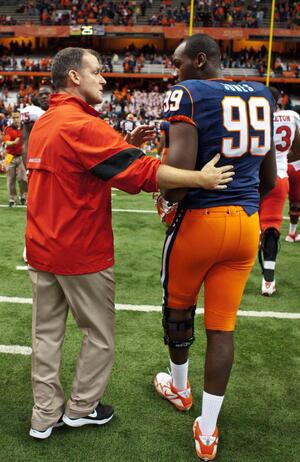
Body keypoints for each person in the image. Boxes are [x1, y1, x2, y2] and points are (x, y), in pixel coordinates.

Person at [26, 47, 234, 440]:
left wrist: (122, 143)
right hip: (80, 251)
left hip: (41, 247)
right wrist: (200, 180)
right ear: (74, 77)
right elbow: (141, 173)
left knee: (46, 336)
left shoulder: (46, 121)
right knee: (99, 337)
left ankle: (44, 416)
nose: (104, 78)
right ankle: (82, 409)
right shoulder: (80, 123)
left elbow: (84, 168)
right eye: (97, 71)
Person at [153, 34, 276, 461]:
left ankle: (180, 388)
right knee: (222, 327)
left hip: (200, 222)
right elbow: (270, 182)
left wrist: (165, 197)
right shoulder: (262, 92)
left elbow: (181, 176)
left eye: (177, 61)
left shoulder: (187, 93)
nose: (174, 69)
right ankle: (207, 430)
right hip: (246, 226)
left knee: (179, 309)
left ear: (199, 60)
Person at [259, 87, 300, 295]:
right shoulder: (291, 116)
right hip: (279, 177)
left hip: (252, 178)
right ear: (279, 101)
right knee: (272, 228)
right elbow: (298, 150)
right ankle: (268, 281)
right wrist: (280, 160)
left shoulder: (252, 116)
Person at [20, 85, 52, 262]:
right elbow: (25, 142)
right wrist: (27, 167)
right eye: (41, 95)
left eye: (48, 94)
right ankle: (30, 245)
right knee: (36, 209)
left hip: (59, 167)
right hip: (39, 167)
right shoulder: (32, 113)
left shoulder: (60, 111)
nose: (45, 97)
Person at [3, 111, 27, 206]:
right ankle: (12, 198)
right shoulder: (8, 129)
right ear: (12, 118)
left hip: (21, 156)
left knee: (23, 179)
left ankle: (22, 196)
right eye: (14, 118)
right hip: (10, 156)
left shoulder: (25, 129)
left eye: (17, 117)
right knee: (10, 179)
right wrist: (14, 142)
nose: (16, 119)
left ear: (20, 118)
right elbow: (7, 142)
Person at [286, 159, 300, 242]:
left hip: (281, 166)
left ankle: (259, 230)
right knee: (296, 202)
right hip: (296, 167)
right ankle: (291, 234)